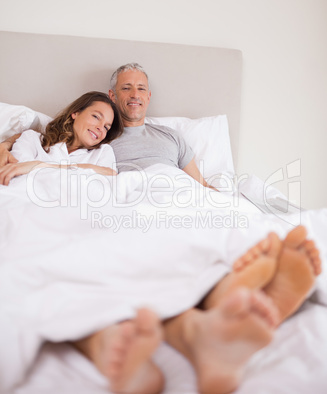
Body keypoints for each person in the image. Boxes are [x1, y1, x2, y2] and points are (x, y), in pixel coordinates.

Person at [0, 67, 323, 393]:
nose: (134, 94)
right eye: (126, 88)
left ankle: (225, 294)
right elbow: (20, 157)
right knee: (110, 242)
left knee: (186, 224)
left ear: (149, 96)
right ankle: (207, 315)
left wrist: (218, 200)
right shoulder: (56, 140)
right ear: (111, 96)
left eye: (141, 88)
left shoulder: (149, 141)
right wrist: (10, 149)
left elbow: (198, 184)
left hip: (163, 189)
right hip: (99, 199)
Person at [0, 91, 123, 184]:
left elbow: (110, 177)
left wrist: (39, 165)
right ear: (75, 113)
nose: (100, 128)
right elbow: (16, 175)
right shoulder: (32, 139)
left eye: (106, 127)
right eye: (96, 117)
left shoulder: (103, 152)